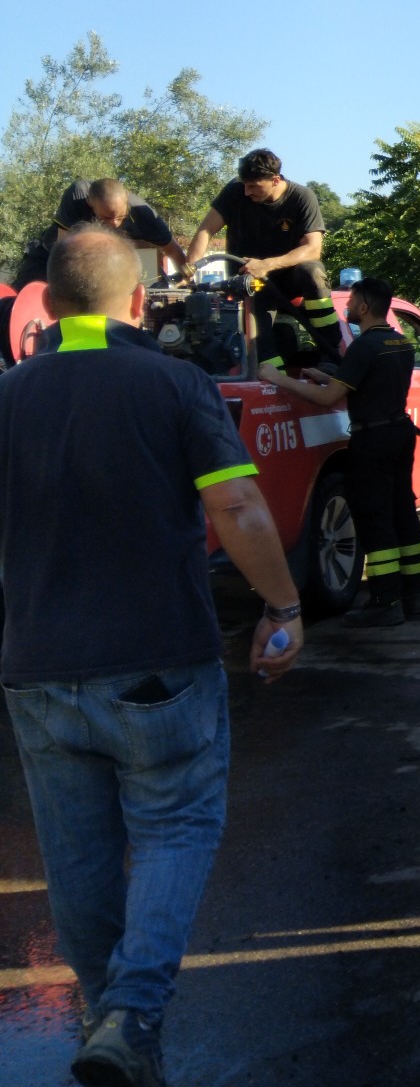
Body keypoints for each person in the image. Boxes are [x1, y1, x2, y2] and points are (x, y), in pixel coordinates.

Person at [0, 230, 305, 1087]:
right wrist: (283, 608)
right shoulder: (176, 384)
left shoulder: (8, 395)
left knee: (76, 856)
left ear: (46, 308)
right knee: (174, 828)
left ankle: (106, 1019)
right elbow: (240, 508)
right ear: (140, 302)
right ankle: (132, 1015)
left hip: (37, 669)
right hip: (158, 665)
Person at [260, 276, 420, 628]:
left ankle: (385, 600)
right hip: (399, 432)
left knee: (373, 514)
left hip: (373, 439)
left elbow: (328, 399)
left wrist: (279, 380)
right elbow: (368, 386)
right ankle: (414, 595)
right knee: (402, 510)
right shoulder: (400, 344)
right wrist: (328, 377)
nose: (347, 308)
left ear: (365, 307)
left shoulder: (364, 348)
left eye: (351, 302)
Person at [187, 149, 342, 368]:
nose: (247, 192)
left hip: (288, 278)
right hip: (248, 283)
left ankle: (330, 354)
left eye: (254, 186)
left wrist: (266, 265)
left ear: (275, 180)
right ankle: (275, 384)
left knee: (313, 272)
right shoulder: (235, 192)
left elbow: (313, 248)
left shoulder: (302, 197)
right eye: (244, 185)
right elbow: (205, 231)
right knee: (263, 346)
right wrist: (188, 272)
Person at [16, 178, 188, 287]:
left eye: (121, 217)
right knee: (21, 298)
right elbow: (64, 248)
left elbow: (173, 250)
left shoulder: (143, 213)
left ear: (127, 199)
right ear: (90, 202)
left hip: (100, 265)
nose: (114, 224)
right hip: (49, 257)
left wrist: (187, 281)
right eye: (106, 218)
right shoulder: (77, 196)